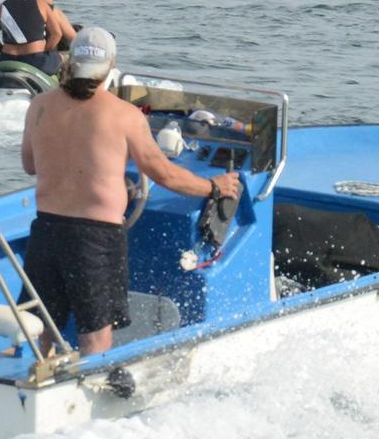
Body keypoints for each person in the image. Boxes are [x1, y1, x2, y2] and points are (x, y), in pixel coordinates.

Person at [20, 28, 240, 355]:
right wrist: (214, 186)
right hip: (94, 239)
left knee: (40, 327)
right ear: (110, 66)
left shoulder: (38, 106)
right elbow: (165, 175)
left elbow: (31, 165)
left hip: (46, 230)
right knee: (95, 334)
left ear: (69, 61)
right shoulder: (125, 115)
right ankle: (91, 392)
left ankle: (32, 377)